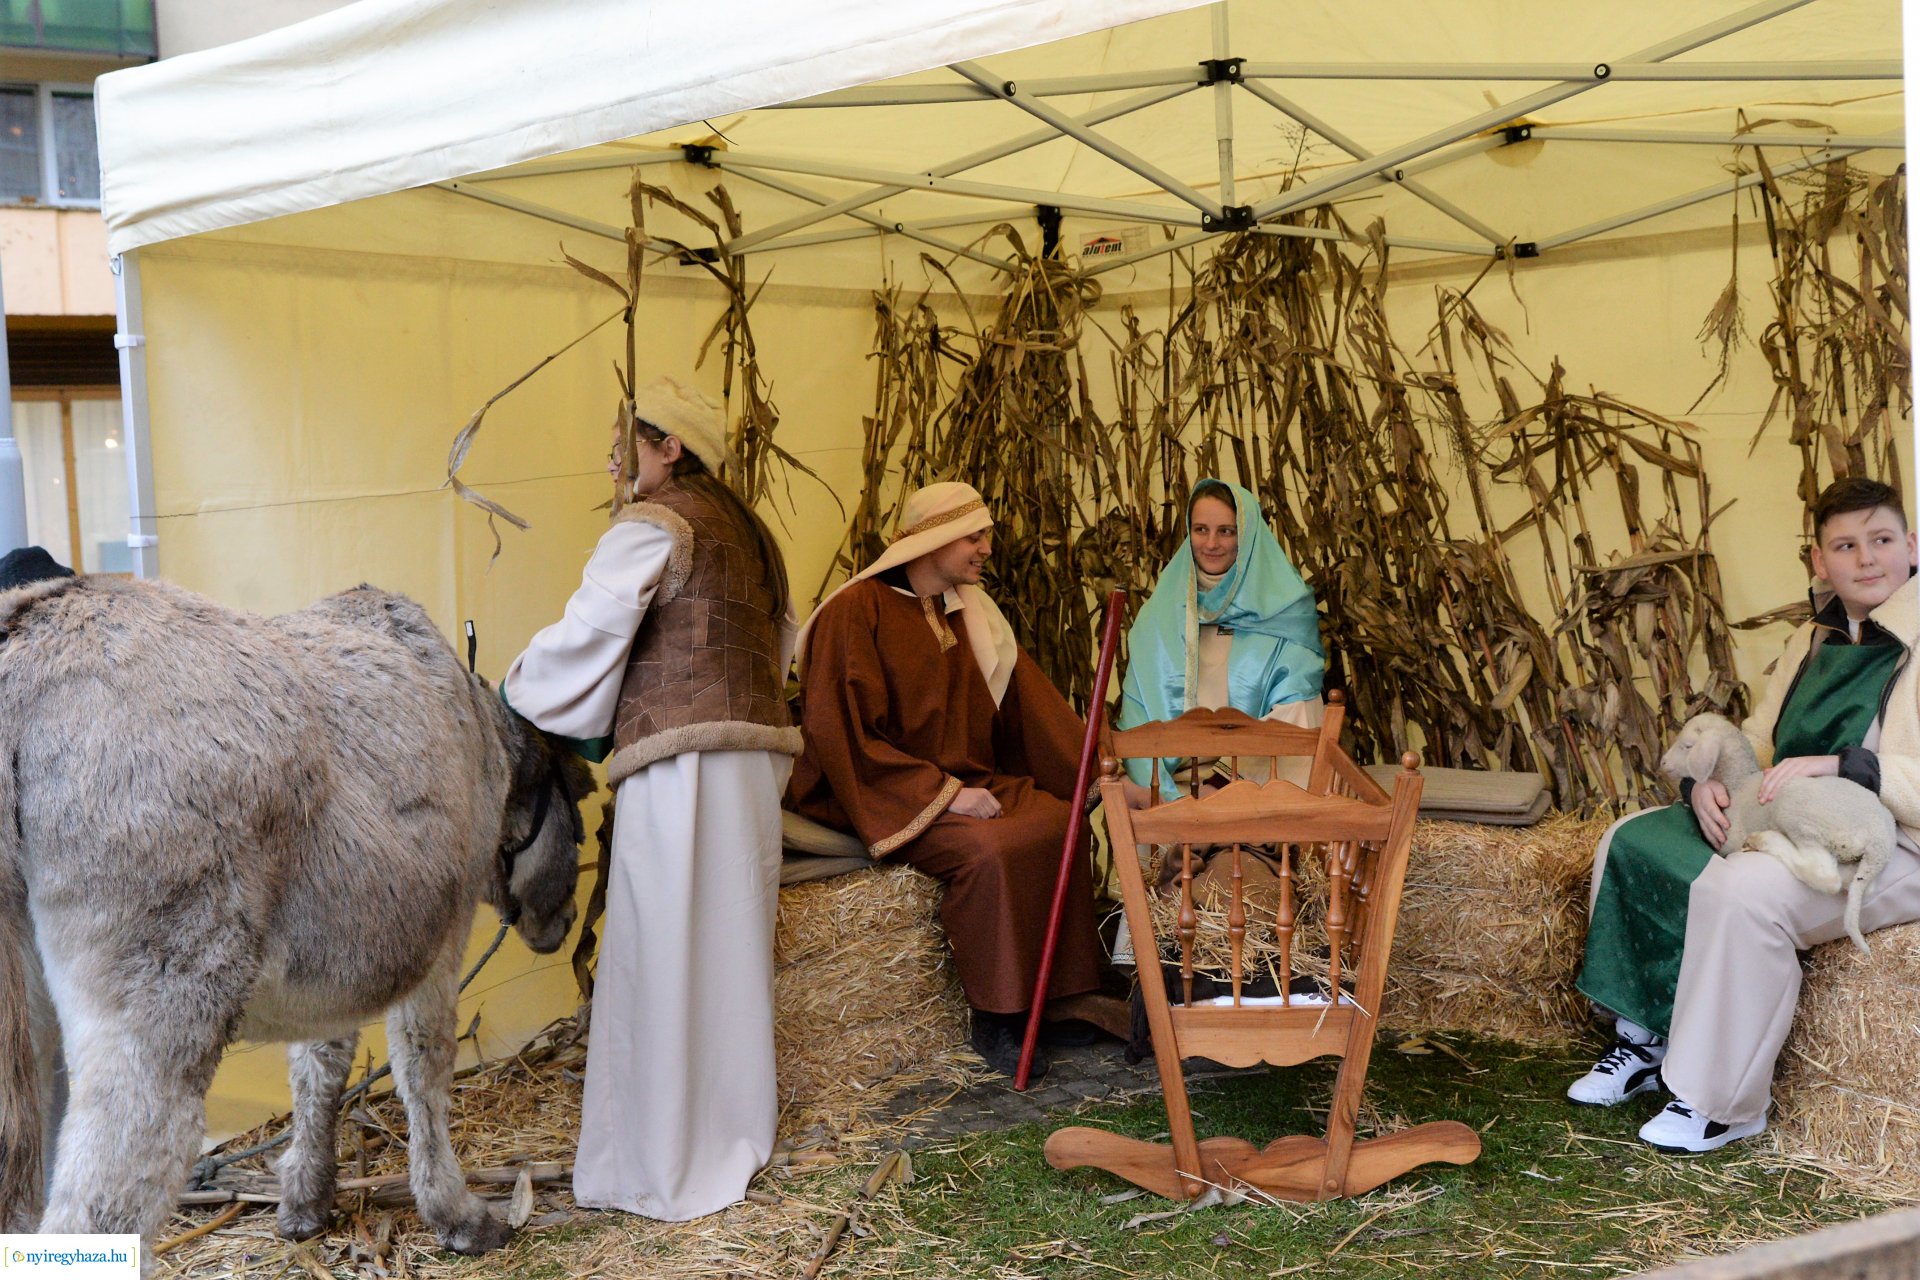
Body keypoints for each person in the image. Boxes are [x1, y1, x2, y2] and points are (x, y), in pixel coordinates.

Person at [501, 377, 801, 1220]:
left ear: (669, 448)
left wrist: (514, 695)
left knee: (661, 948)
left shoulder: (656, 523)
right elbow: (781, 638)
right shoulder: (753, 533)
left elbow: (589, 634)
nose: (608, 461)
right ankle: (735, 1136)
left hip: (681, 766)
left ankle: (661, 1162)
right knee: (730, 951)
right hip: (749, 761)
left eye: (622, 442)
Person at [1570, 476, 1920, 1153]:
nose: (1866, 559)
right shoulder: (1814, 637)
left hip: (1891, 841)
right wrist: (1712, 783)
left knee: (1746, 892)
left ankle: (1723, 1104)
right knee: (1633, 839)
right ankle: (1648, 1034)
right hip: (1785, 814)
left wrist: (1846, 766)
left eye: (1881, 540)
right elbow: (1760, 737)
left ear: (1912, 545)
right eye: (1845, 545)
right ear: (1820, 561)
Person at [785, 481, 1104, 1079]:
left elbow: (1025, 705)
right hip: (876, 791)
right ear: (930, 540)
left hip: (970, 779)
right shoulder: (856, 613)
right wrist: (947, 796)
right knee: (989, 851)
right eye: (974, 536)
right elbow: (841, 735)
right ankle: (999, 1017)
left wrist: (1098, 770)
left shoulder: (970, 610)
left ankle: (1058, 1000)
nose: (986, 549)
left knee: (1060, 823)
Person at [1117, 477, 1325, 805]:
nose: (1211, 543)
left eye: (1226, 531)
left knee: (1307, 705)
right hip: (1172, 782)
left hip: (1251, 778)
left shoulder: (1286, 609)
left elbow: (1296, 709)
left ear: (1246, 535)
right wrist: (1163, 794)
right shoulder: (1158, 615)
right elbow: (1137, 712)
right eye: (1201, 530)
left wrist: (1226, 778)